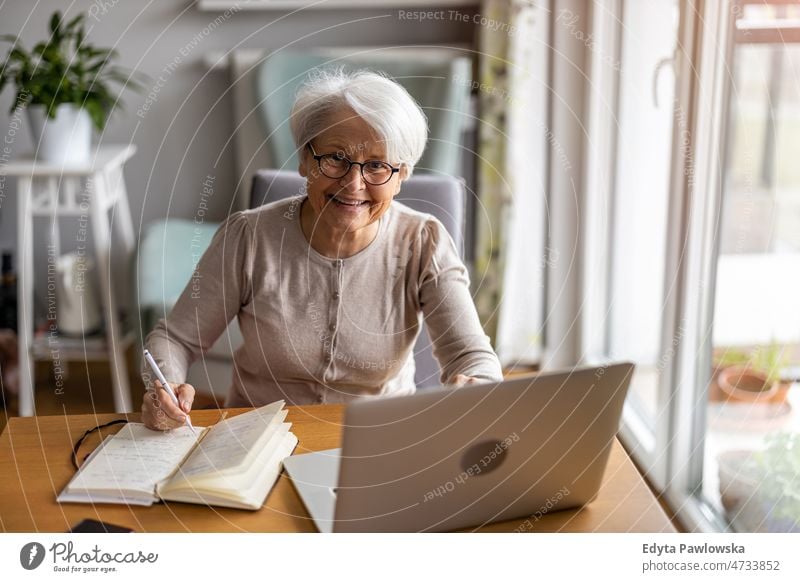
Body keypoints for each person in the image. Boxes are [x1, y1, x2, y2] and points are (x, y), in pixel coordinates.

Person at [142, 68, 502, 430]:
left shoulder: (424, 242)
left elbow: (470, 356)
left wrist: (478, 386)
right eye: (335, 159)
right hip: (255, 439)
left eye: (377, 165)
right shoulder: (248, 237)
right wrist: (165, 386)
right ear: (304, 158)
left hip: (377, 438)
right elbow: (176, 338)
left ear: (402, 175)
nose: (353, 184)